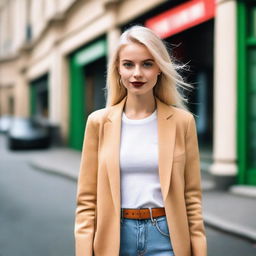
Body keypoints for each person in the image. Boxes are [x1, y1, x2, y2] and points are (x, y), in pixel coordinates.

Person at [74, 25, 207, 256]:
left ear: (159, 69)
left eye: (147, 63)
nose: (137, 73)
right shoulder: (98, 122)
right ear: (118, 69)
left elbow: (192, 199)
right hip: (114, 238)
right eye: (128, 64)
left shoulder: (182, 122)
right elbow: (87, 202)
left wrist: (199, 250)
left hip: (167, 237)